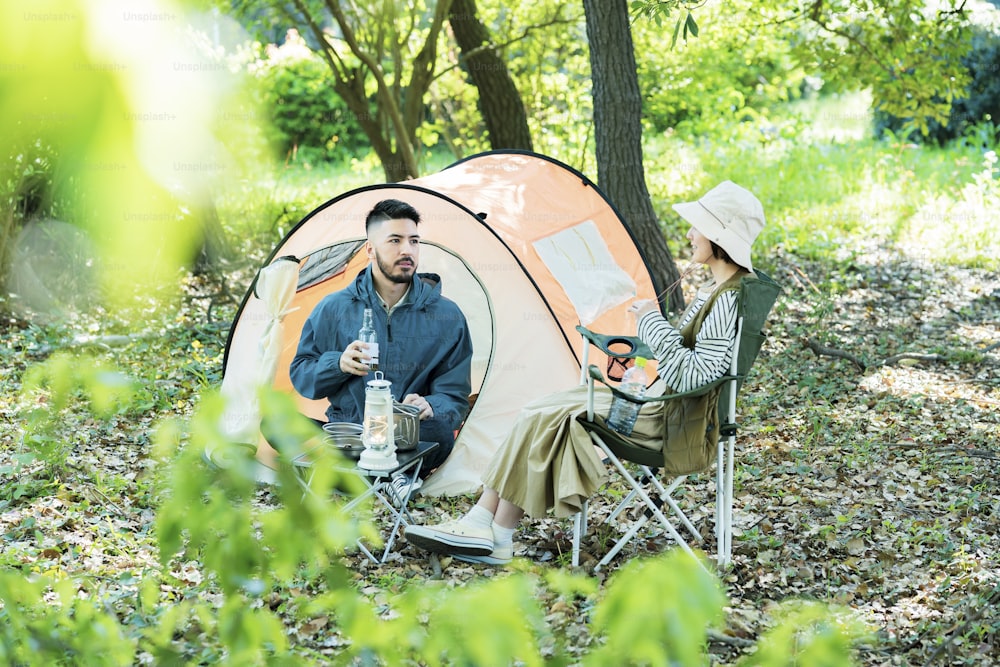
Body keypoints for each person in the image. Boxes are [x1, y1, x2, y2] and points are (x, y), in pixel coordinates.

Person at [404, 180, 765, 564]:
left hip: (672, 422)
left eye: (698, 226)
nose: (690, 234)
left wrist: (651, 322)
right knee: (540, 408)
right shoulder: (722, 289)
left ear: (718, 235)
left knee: (555, 414)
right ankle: (488, 527)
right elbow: (689, 361)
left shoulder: (729, 299)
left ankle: (493, 529)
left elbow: (693, 377)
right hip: (665, 407)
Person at [290, 198, 473, 498]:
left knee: (441, 434)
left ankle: (359, 479)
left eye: (414, 241)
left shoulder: (447, 317)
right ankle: (387, 481)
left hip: (404, 438)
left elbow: (453, 397)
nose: (407, 250)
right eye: (395, 240)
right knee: (275, 422)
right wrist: (338, 364)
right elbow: (302, 375)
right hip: (348, 434)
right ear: (370, 249)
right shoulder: (333, 308)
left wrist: (431, 406)